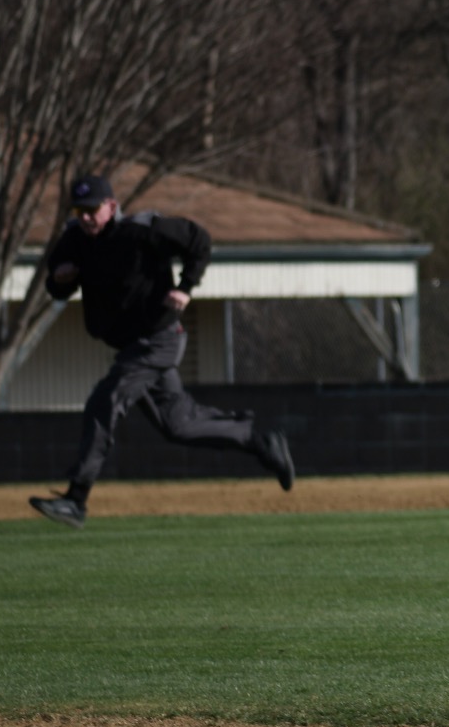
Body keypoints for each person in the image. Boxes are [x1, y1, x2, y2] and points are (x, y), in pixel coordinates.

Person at [29, 174, 294, 530]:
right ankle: (260, 443)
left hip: (159, 340)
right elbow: (57, 283)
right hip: (131, 346)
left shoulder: (142, 230)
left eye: (92, 209)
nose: (86, 217)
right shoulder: (75, 239)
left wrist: (185, 287)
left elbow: (200, 241)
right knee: (179, 425)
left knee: (104, 401)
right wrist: (58, 280)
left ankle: (76, 499)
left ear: (111, 205)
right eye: (80, 211)